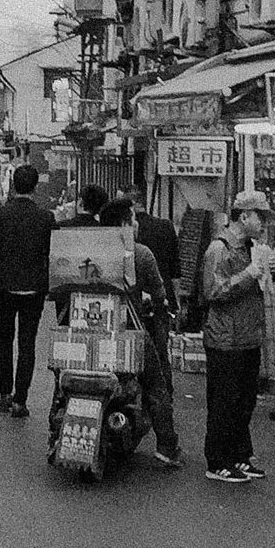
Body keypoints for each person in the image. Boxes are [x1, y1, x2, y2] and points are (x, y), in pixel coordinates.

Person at [189, 192, 272, 483]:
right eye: (261, 216)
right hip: (225, 338)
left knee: (245, 401)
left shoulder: (251, 248)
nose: (265, 223)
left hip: (249, 336)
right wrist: (248, 275)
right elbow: (212, 291)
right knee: (224, 401)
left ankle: (240, 454)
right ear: (244, 216)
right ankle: (217, 460)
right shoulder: (219, 248)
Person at [99, 197, 181, 467]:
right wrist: (161, 310)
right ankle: (167, 447)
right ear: (124, 223)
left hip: (90, 330)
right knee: (157, 385)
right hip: (129, 332)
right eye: (133, 219)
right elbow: (159, 295)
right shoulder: (141, 253)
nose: (136, 224)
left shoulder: (90, 249)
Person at [0, 163, 54, 417]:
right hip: (34, 289)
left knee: (4, 338)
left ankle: (4, 394)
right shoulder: (45, 217)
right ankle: (20, 400)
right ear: (35, 187)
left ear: (13, 185)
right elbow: (50, 255)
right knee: (27, 344)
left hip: (4, 287)